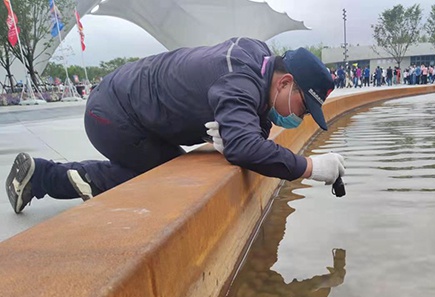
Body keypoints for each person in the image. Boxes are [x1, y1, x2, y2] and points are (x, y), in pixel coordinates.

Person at [6, 37, 345, 214]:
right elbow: (245, 147)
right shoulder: (240, 81)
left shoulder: (256, 62)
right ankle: (50, 177)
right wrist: (311, 167)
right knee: (166, 178)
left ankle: (49, 175)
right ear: (285, 82)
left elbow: (251, 135)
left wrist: (241, 136)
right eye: (303, 107)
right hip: (111, 114)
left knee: (173, 169)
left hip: (128, 105)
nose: (299, 118)